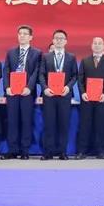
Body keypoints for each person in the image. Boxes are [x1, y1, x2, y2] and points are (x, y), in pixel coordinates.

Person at [2, 25, 42, 160]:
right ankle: (12, 150)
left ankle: (25, 150)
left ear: (31, 37)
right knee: (12, 121)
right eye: (20, 33)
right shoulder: (11, 52)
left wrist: (29, 87)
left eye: (25, 34)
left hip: (27, 92)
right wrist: (7, 87)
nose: (22, 36)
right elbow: (6, 70)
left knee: (26, 121)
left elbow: (36, 71)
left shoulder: (37, 53)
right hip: (12, 92)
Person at [39, 29, 77, 160]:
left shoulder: (71, 57)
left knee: (63, 124)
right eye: (56, 38)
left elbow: (74, 75)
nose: (59, 40)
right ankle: (48, 152)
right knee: (49, 124)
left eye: (61, 38)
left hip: (64, 95)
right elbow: (41, 74)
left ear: (66, 41)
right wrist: (45, 88)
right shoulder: (45, 57)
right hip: (49, 95)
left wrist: (68, 87)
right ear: (53, 41)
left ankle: (62, 152)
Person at [76, 37, 104, 159]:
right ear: (91, 46)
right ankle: (82, 151)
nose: (97, 45)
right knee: (85, 125)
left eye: (100, 43)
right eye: (95, 43)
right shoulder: (85, 61)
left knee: (101, 125)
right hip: (87, 99)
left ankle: (101, 151)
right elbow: (80, 79)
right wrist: (83, 93)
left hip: (102, 99)